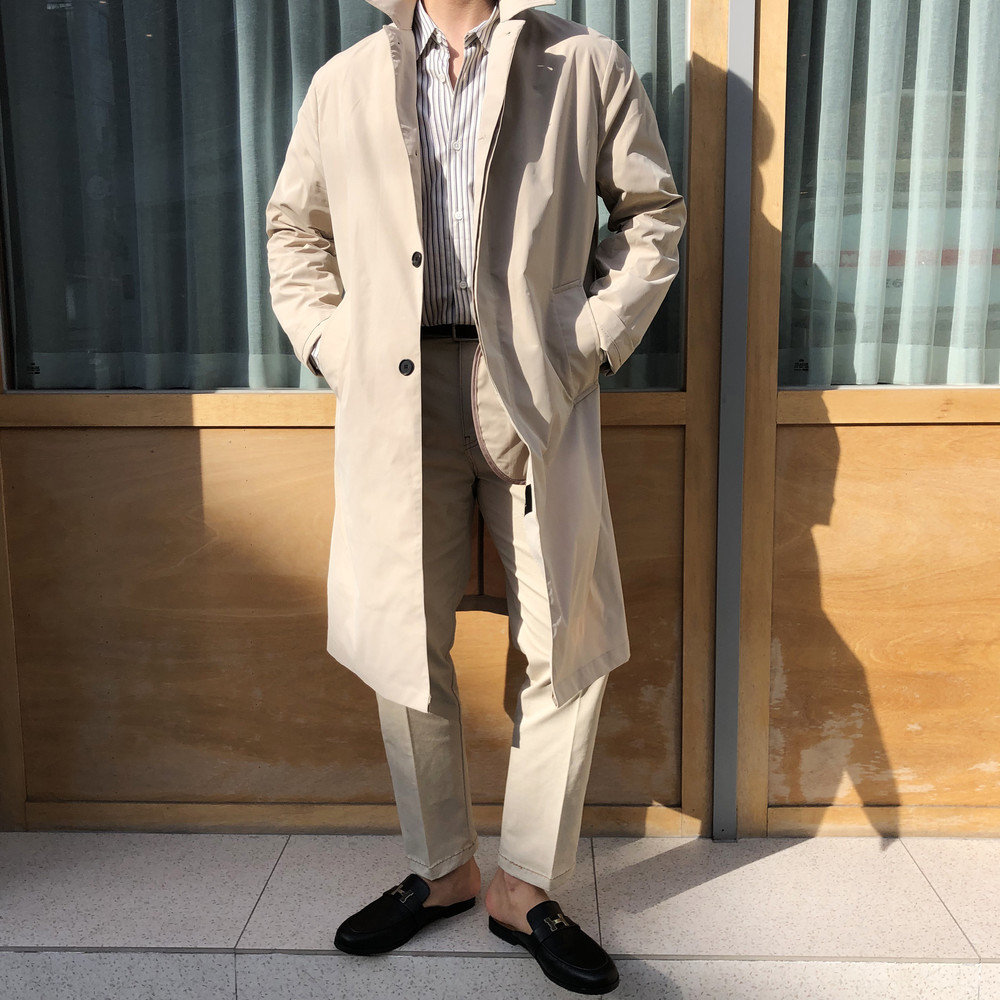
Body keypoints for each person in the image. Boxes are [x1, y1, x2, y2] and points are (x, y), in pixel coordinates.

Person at [266, 0, 684, 991]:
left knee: (567, 634)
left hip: (531, 384)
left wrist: (582, 344)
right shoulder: (344, 81)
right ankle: (443, 865)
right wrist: (335, 344)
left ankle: (525, 884)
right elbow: (293, 227)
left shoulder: (582, 64)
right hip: (395, 390)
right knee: (400, 631)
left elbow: (651, 214)